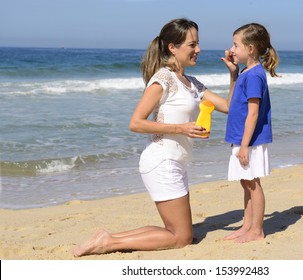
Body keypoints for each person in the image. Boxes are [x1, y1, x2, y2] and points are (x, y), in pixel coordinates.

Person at [74, 18, 235, 257]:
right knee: (181, 238)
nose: (198, 50)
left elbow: (230, 107)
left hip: (177, 162)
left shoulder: (192, 84)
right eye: (192, 45)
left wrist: (234, 74)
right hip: (161, 162)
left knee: (178, 232)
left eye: (197, 44)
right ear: (173, 47)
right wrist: (182, 128)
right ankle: (108, 242)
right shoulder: (163, 79)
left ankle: (109, 238)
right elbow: (136, 123)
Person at [223, 23, 279, 243]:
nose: (232, 49)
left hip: (251, 141)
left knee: (253, 184)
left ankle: (257, 230)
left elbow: (253, 114)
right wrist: (233, 72)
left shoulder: (255, 75)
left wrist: (244, 145)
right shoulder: (247, 72)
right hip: (243, 139)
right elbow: (237, 102)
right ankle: (247, 225)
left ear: (251, 48)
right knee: (245, 181)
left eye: (236, 45)